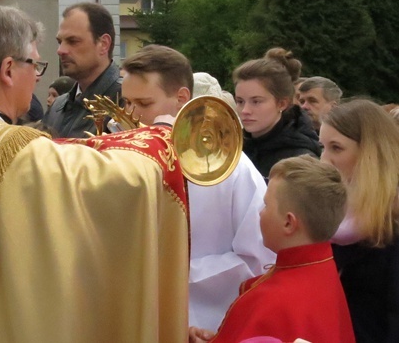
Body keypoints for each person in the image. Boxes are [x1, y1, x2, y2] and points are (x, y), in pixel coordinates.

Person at [0, 2, 189, 343]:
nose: (37, 75)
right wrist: (162, 133)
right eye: (34, 63)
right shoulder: (12, 152)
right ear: (7, 69)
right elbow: (126, 179)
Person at [121, 45, 274, 332]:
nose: (131, 116)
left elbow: (258, 257)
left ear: (182, 99)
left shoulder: (231, 167)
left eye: (143, 104)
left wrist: (171, 273)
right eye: (126, 103)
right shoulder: (120, 161)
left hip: (205, 322)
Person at [190, 155, 355, 343]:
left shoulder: (271, 303)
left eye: (266, 205)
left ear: (288, 223)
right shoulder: (323, 267)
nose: (260, 212)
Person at [320, 99, 399, 342]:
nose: (324, 160)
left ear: (370, 152)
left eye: (336, 148)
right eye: (321, 146)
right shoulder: (332, 210)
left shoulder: (391, 223)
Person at [233, 48, 320, 179]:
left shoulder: (300, 163)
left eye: (256, 101)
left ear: (281, 104)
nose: (245, 110)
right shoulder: (233, 149)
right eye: (240, 101)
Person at [43, 2, 121, 137]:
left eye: (73, 41)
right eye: (59, 42)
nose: (60, 50)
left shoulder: (129, 103)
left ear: (103, 44)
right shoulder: (57, 107)